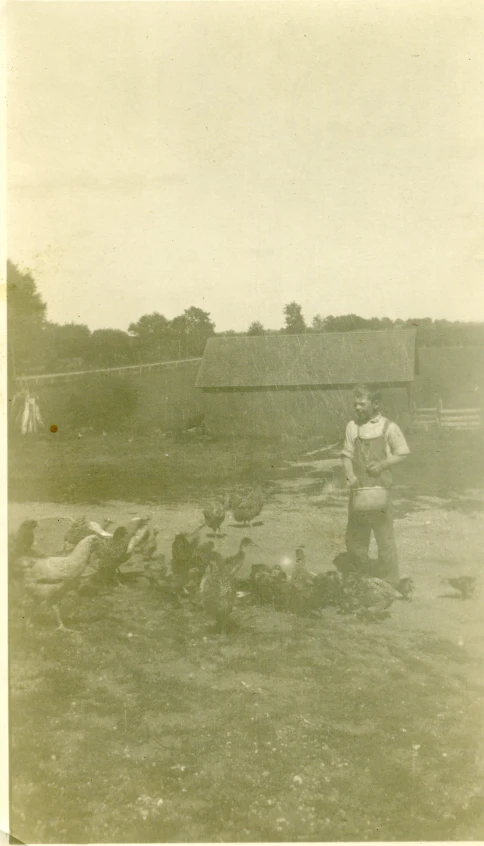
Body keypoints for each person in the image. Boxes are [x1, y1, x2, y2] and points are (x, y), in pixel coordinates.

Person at [341, 384, 410, 586]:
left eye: (362, 404)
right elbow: (346, 455)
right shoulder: (352, 427)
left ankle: (389, 581)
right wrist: (350, 475)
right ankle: (358, 577)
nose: (357, 408)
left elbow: (403, 452)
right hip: (358, 492)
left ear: (376, 403)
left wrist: (382, 464)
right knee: (355, 538)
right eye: (355, 404)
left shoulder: (389, 427)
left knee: (385, 537)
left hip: (381, 494)